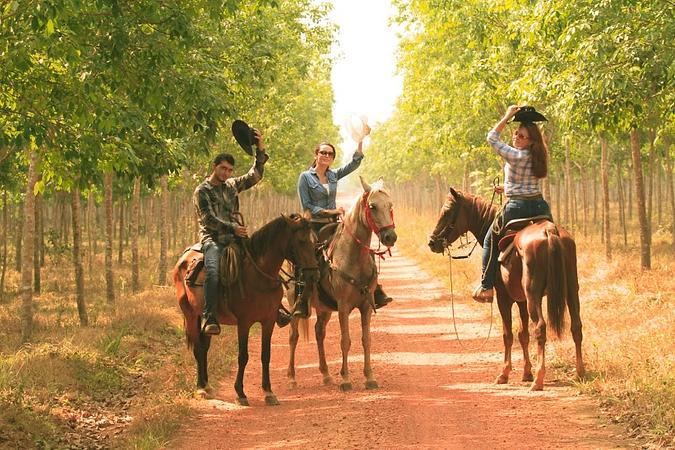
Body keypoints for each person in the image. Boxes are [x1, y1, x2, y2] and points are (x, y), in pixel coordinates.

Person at [193, 130, 291, 335]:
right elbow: (208, 219)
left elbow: (255, 175)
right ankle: (210, 316)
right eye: (223, 169)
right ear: (214, 167)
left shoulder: (232, 185)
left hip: (236, 237)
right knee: (212, 269)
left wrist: (260, 147)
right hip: (213, 239)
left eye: (229, 170)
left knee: (263, 264)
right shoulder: (202, 191)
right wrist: (232, 227)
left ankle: (277, 308)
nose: (226, 173)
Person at [294, 127, 392, 318]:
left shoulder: (333, 175)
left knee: (361, 246)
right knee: (307, 258)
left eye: (330, 154)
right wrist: (331, 210)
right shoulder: (304, 177)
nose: (326, 156)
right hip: (313, 225)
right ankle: (301, 298)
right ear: (316, 155)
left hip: (333, 223)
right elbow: (307, 206)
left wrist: (360, 141)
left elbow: (354, 164)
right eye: (323, 152)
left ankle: (375, 289)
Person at [473, 105, 553, 303]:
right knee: (553, 239)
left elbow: (491, 137)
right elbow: (525, 181)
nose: (516, 137)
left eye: (522, 136)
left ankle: (486, 286)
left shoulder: (516, 155)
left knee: (489, 240)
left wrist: (507, 116)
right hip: (540, 206)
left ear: (531, 141)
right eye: (516, 133)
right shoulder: (538, 156)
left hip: (517, 207)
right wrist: (506, 188)